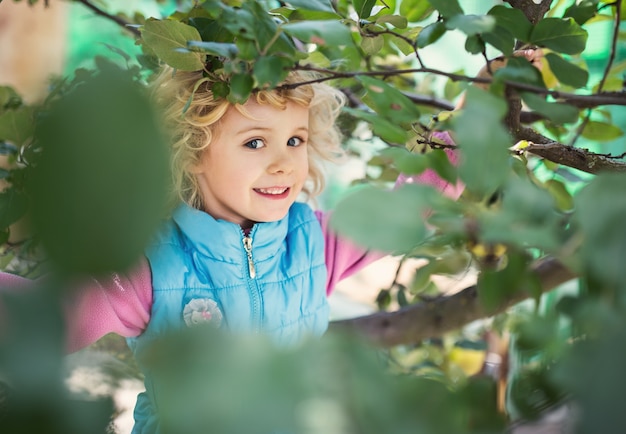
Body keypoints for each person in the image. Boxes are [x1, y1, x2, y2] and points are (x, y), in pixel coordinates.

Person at [0, 63, 462, 432]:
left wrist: (478, 121)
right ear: (193, 151)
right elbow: (44, 318)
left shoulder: (315, 242)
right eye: (255, 142)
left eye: (295, 140)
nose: (283, 163)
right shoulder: (150, 263)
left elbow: (413, 207)